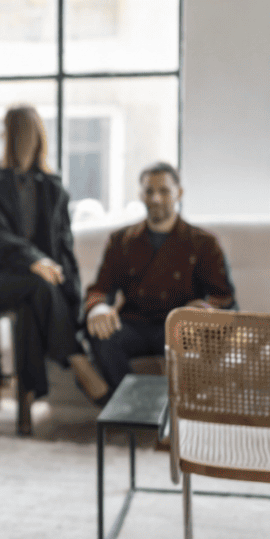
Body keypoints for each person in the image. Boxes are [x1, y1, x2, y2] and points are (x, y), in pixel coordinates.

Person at [0, 104, 107, 409]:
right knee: (38, 284)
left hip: (38, 282)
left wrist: (69, 288)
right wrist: (33, 260)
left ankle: (27, 402)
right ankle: (77, 360)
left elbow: (64, 245)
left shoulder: (53, 188)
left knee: (35, 299)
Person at [82, 161, 236, 399]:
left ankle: (180, 410)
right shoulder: (120, 240)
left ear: (179, 193)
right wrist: (98, 309)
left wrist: (203, 309)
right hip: (134, 323)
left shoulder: (203, 242)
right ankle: (132, 406)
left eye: (164, 191)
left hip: (178, 326)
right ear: (140, 195)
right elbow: (101, 289)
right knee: (100, 334)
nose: (155, 198)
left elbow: (224, 297)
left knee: (204, 335)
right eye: (149, 191)